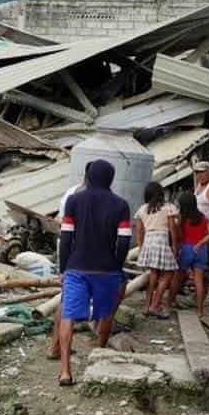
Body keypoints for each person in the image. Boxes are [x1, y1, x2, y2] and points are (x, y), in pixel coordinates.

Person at [57, 160, 132, 386]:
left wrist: (63, 268)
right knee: (106, 314)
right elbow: (124, 240)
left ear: (88, 176)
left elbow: (66, 237)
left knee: (68, 315)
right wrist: (117, 265)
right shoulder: (121, 205)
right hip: (107, 269)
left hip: (77, 267)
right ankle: (98, 358)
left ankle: (65, 372)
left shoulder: (74, 201)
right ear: (111, 178)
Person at [48, 162, 91, 360]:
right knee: (68, 302)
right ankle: (56, 349)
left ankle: (55, 346)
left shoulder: (71, 192)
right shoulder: (84, 196)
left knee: (66, 298)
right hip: (77, 251)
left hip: (68, 248)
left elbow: (58, 219)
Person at [134, 181, 179, 319]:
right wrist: (175, 247)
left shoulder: (142, 209)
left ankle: (147, 306)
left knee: (153, 273)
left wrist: (141, 246)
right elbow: (172, 229)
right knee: (169, 274)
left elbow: (139, 230)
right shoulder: (168, 207)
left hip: (148, 241)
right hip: (161, 241)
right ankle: (155, 304)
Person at [170, 192, 209, 317]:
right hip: (201, 250)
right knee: (199, 281)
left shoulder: (182, 218)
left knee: (177, 278)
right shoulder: (204, 218)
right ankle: (200, 310)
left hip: (187, 249)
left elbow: (179, 236)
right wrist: (201, 242)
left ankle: (170, 302)